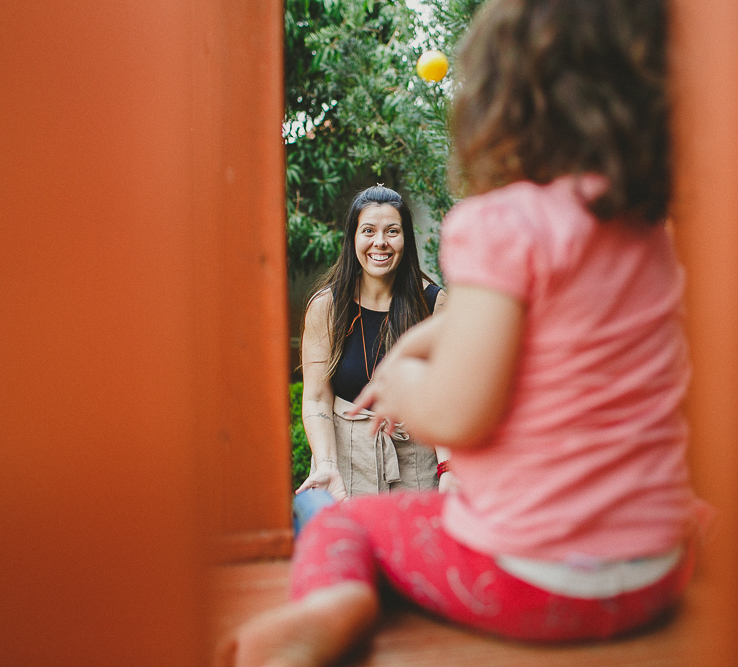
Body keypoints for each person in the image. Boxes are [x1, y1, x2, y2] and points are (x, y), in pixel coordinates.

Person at [215, 1, 709, 664]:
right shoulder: (647, 236)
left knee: (348, 524)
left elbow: (458, 414)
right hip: (656, 569)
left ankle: (331, 605)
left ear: (501, 102)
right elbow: (538, 336)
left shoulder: (501, 225)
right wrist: (423, 341)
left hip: (534, 581)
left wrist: (403, 381)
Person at [295, 184, 449, 500]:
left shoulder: (434, 304)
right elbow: (316, 398)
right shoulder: (327, 307)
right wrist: (326, 464)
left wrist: (449, 469)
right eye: (368, 231)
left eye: (392, 231)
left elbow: (447, 397)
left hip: (416, 461)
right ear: (353, 238)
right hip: (344, 464)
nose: (380, 242)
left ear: (406, 239)